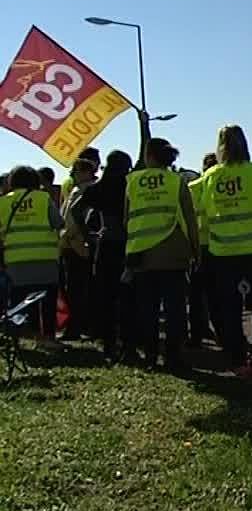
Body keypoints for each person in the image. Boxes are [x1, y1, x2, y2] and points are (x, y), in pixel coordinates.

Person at [199, 125, 252, 378]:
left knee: (230, 310)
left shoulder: (211, 176)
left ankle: (239, 361)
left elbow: (201, 206)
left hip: (223, 251)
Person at [125, 138, 199, 373]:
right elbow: (189, 219)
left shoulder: (133, 181)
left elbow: (128, 217)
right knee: (175, 310)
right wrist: (196, 251)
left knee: (147, 309)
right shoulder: (176, 182)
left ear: (149, 156)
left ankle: (150, 356)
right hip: (173, 250)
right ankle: (174, 357)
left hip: (141, 253)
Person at [0, 166, 64, 348]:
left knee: (22, 303)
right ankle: (49, 338)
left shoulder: (3, 203)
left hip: (16, 261)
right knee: (47, 302)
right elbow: (59, 222)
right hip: (45, 259)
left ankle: (23, 337)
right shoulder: (43, 199)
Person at [82, 150, 134, 360]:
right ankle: (129, 343)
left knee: (106, 296)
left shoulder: (98, 189)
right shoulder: (130, 187)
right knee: (129, 296)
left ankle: (108, 343)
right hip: (129, 243)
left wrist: (91, 235)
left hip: (105, 245)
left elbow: (78, 211)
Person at [59, 155, 99, 340]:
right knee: (74, 288)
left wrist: (69, 236)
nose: (72, 175)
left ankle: (77, 327)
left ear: (85, 172)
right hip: (71, 244)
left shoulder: (87, 190)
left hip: (77, 245)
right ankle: (79, 326)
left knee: (78, 289)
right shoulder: (76, 189)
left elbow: (77, 218)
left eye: (75, 171)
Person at [187, 152, 222, 347]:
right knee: (217, 294)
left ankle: (197, 334)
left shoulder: (192, 188)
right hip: (218, 246)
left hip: (197, 247)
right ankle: (222, 332)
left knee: (196, 295)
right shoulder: (218, 186)